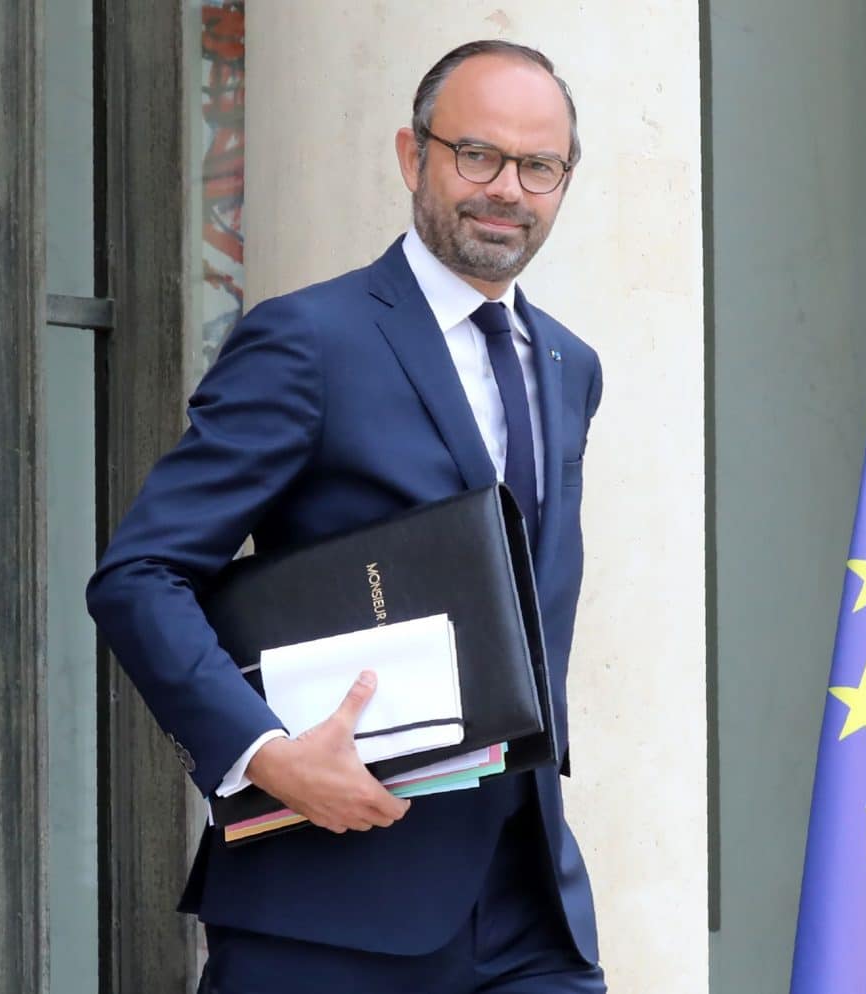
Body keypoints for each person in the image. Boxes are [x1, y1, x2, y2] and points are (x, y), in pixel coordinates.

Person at [86, 39, 605, 994]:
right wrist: (265, 756)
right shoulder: (308, 341)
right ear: (413, 156)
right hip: (329, 912)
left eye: (539, 166)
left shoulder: (569, 366)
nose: (507, 189)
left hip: (532, 909)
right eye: (477, 155)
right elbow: (140, 576)